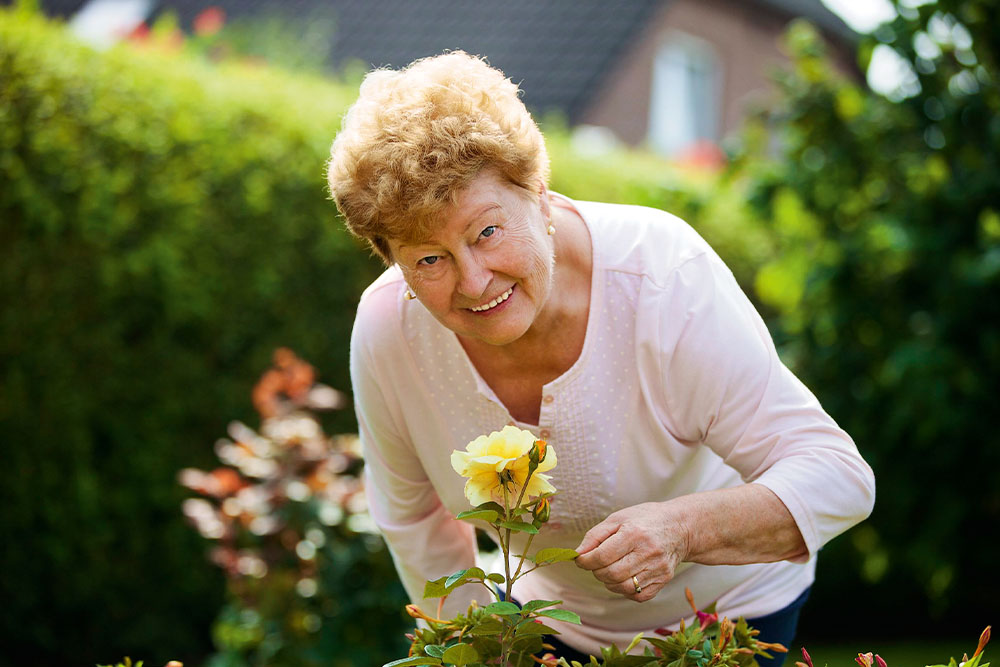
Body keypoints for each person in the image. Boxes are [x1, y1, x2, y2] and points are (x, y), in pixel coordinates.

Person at [326, 51, 875, 665]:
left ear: (537, 192)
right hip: (549, 625)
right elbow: (413, 518)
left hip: (726, 618)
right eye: (428, 259)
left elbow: (837, 478)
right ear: (390, 260)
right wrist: (483, 643)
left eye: (486, 231)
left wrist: (682, 528)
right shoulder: (387, 332)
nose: (474, 282)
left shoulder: (663, 277)